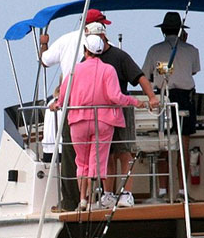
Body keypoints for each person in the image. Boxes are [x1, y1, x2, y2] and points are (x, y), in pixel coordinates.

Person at [56, 34, 149, 210]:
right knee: (96, 161)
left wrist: (57, 105)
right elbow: (116, 97)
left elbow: (63, 96)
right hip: (103, 122)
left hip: (78, 121)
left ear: (85, 50)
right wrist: (136, 102)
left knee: (81, 163)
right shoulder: (108, 70)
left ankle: (83, 200)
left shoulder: (74, 70)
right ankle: (93, 201)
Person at [39, 9, 113, 211]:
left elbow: (44, 60)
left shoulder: (65, 40)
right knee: (97, 157)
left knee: (73, 156)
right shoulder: (107, 46)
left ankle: (73, 201)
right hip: (99, 110)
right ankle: (95, 199)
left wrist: (44, 42)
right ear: (94, 27)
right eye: (101, 25)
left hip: (70, 106)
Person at [87, 24, 159, 207]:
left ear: (103, 36)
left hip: (121, 110)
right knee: (107, 156)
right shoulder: (87, 57)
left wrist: (152, 97)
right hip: (100, 113)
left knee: (125, 152)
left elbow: (140, 77)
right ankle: (108, 194)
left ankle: (126, 193)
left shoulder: (120, 56)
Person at [142, 12, 201, 197]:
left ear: (163, 31)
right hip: (185, 99)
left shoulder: (154, 50)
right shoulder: (192, 49)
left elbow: (146, 74)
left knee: (163, 145)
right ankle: (182, 191)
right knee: (183, 147)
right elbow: (194, 70)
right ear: (181, 31)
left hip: (163, 99)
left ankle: (162, 190)